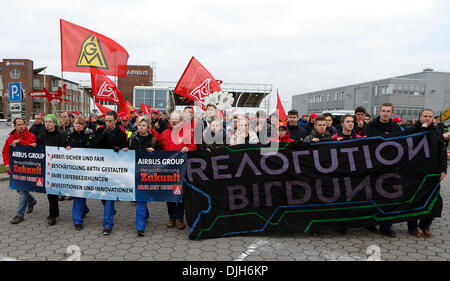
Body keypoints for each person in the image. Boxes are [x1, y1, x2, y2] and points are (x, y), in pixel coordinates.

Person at [407, 109, 447, 238]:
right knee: (416, 200)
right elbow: (407, 147)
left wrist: (443, 170)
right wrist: (421, 132)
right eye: (425, 116)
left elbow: (442, 152)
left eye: (430, 116)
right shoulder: (413, 130)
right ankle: (412, 227)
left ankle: (425, 225)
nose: (428, 118)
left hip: (432, 172)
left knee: (435, 201)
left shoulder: (436, 132)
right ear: (420, 117)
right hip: (416, 172)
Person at [365, 103, 402, 237]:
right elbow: (368, 145)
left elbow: (400, 145)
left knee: (390, 197)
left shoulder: (396, 127)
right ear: (379, 111)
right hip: (374, 167)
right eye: (383, 111)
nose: (385, 113)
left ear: (392, 113)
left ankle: (386, 226)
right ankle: (370, 223)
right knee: (373, 196)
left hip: (391, 168)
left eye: (388, 111)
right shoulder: (370, 127)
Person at [159, 111, 197, 230]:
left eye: (176, 119)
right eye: (172, 119)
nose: (174, 121)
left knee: (180, 195)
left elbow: (194, 147)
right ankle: (172, 217)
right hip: (168, 170)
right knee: (169, 194)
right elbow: (158, 149)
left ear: (181, 121)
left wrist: (188, 147)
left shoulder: (187, 134)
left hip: (182, 170)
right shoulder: (164, 134)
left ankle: (180, 218)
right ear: (169, 121)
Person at [93, 110, 128, 235]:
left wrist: (122, 149)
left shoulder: (122, 133)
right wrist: (103, 134)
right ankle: (111, 211)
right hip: (101, 166)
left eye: (110, 121)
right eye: (106, 121)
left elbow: (126, 147)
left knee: (108, 195)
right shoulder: (100, 130)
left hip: (114, 168)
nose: (108, 123)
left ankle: (107, 224)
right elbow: (94, 146)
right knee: (101, 193)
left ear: (115, 120)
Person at [129, 116, 162, 237]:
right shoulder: (132, 138)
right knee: (140, 200)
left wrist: (153, 152)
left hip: (148, 173)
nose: (141, 127)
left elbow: (162, 156)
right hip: (135, 172)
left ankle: (142, 222)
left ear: (148, 127)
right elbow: (127, 153)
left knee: (142, 200)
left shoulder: (153, 140)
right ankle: (142, 222)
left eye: (144, 125)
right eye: (139, 125)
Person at [2, 118, 38, 224]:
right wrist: (6, 164)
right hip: (15, 169)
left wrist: (20, 142)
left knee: (22, 190)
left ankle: (19, 215)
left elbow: (32, 149)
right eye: (19, 125)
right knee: (20, 189)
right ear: (15, 126)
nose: (21, 126)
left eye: (23, 124)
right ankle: (32, 201)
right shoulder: (10, 139)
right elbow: (5, 152)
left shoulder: (31, 136)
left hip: (27, 168)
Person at [64, 117, 94, 231]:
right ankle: (80, 216)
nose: (77, 125)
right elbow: (62, 144)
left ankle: (80, 216)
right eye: (76, 123)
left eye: (80, 124)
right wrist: (66, 147)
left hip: (85, 168)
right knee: (79, 193)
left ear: (84, 125)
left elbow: (92, 148)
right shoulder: (69, 134)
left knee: (80, 193)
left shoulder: (89, 135)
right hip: (73, 168)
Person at [36, 114, 65, 226]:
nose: (47, 124)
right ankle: (52, 214)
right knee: (51, 191)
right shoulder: (41, 136)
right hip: (47, 166)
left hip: (59, 166)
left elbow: (63, 149)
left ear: (55, 123)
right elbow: (38, 150)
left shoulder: (61, 135)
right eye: (46, 121)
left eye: (50, 121)